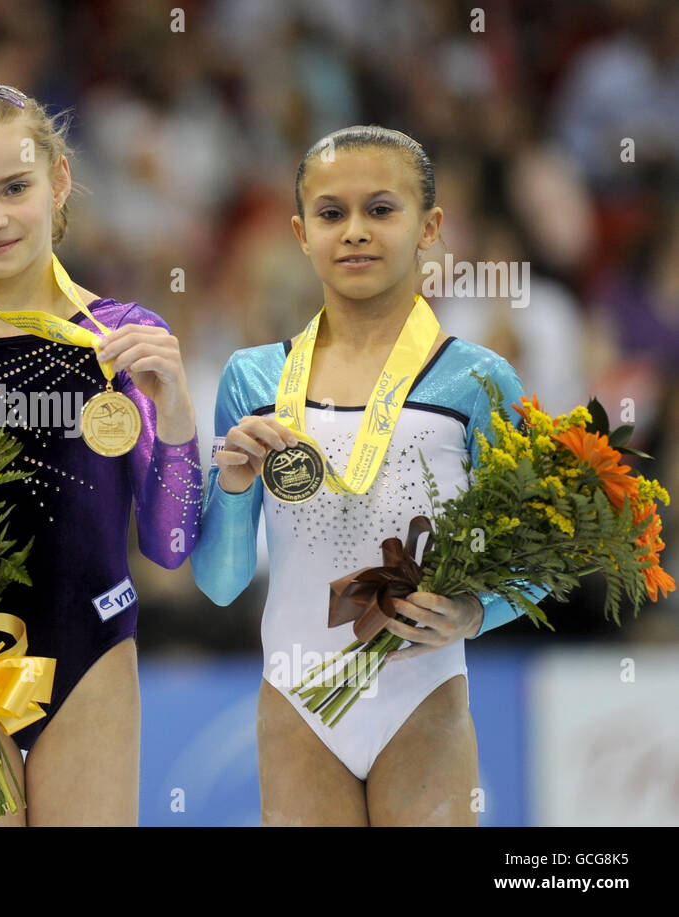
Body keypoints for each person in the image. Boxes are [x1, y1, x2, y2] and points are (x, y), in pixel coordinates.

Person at [0, 82, 203, 826]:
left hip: (92, 660)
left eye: (14, 187)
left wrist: (176, 416)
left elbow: (172, 547)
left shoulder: (120, 340)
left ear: (57, 182)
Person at [192, 126, 540, 826]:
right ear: (299, 232)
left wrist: (476, 612)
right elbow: (222, 583)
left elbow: (537, 557)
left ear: (430, 226)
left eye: (381, 209)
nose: (354, 231)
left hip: (422, 692)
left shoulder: (479, 379)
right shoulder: (253, 378)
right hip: (297, 698)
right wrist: (230, 486)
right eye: (331, 213)